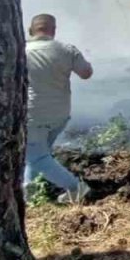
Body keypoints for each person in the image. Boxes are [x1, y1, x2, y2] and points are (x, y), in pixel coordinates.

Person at [24, 13, 93, 203]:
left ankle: (75, 188)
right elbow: (86, 73)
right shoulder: (67, 49)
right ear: (53, 31)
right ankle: (30, 193)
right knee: (39, 154)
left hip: (33, 115)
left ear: (30, 31)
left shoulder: (21, 51)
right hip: (60, 114)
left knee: (37, 157)